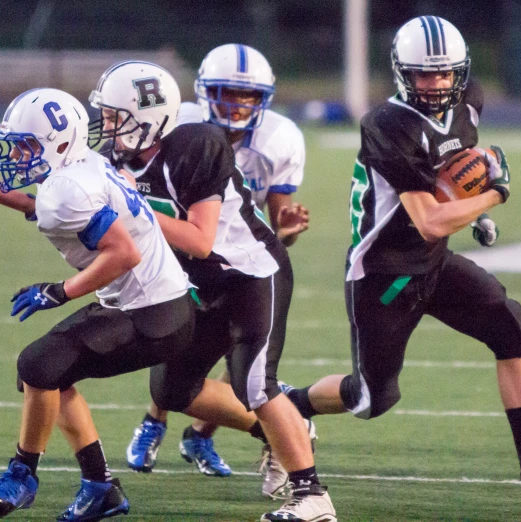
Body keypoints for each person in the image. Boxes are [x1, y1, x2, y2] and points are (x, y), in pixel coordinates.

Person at [280, 16, 521, 504]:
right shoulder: (387, 124)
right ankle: (289, 407)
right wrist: (494, 197)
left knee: (514, 331)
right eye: (423, 74)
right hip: (384, 272)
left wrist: (474, 205)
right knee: (372, 399)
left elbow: (461, 157)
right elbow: (430, 220)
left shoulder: (469, 100)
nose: (435, 84)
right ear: (401, 72)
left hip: (433, 262)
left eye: (444, 74)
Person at [88, 61, 335, 521]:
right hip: (200, 282)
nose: (106, 125)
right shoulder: (114, 160)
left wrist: (130, 207)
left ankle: (313, 498)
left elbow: (200, 240)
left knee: (254, 385)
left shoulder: (197, 144)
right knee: (172, 388)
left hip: (252, 273)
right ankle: (285, 427)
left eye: (115, 115)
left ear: (148, 120)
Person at [0, 88, 194, 520]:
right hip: (156, 303)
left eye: (26, 144)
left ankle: (23, 474)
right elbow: (36, 205)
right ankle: (99, 487)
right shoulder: (83, 164)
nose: (17, 154)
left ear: (58, 143)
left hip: (151, 313)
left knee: (37, 365)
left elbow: (123, 254)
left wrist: (59, 291)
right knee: (45, 377)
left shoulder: (67, 188)